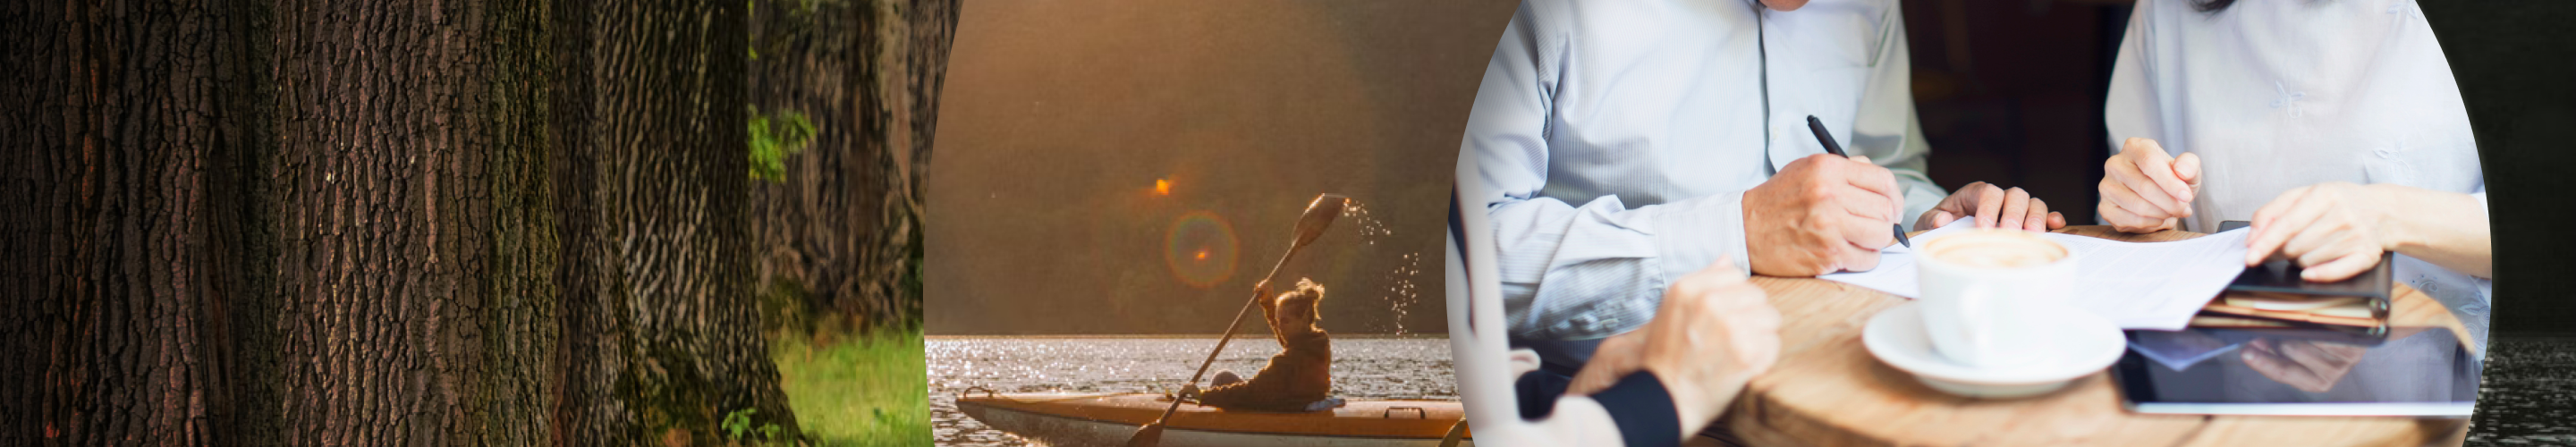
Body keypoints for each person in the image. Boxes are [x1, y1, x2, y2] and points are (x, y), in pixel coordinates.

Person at [1463, 0, 2061, 374]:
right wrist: (1740, 231)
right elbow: (1468, 257)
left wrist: (1932, 220)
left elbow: (1888, 163)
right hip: (1616, 406)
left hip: (1844, 377)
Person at [2098, 0, 2493, 346]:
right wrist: (2143, 202)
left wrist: (2386, 215)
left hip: (2443, 376)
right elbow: (2130, 221)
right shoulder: (2167, 10)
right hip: (2228, 362)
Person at [1180, 278, 1333, 411]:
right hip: (1293, 403)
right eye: (1279, 321)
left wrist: (1202, 395)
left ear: (1305, 320)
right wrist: (1268, 303)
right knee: (1224, 377)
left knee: (1221, 378)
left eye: (1285, 322)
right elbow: (1289, 338)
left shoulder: (1287, 361)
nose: (1280, 327)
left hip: (1281, 410)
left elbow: (1251, 391)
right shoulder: (1318, 345)